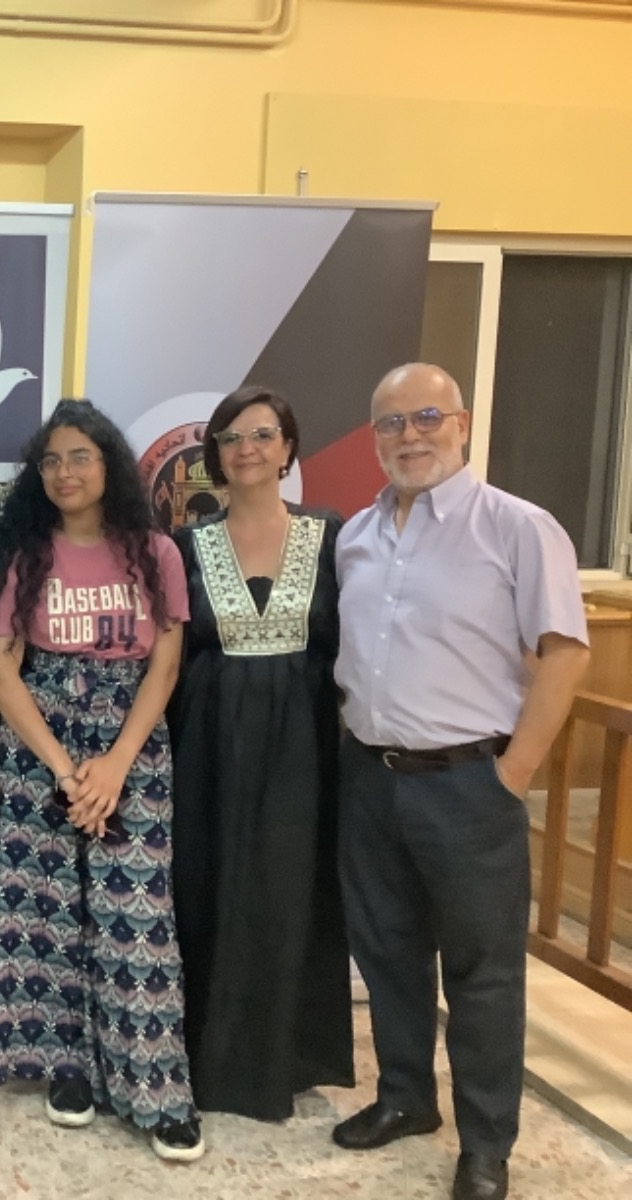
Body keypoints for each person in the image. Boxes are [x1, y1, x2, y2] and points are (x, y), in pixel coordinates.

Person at [332, 363, 589, 1200]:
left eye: (427, 417)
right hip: (371, 779)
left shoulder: (518, 527)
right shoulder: (357, 535)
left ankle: (486, 1145)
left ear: (463, 423)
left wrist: (514, 774)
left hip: (470, 784)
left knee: (483, 974)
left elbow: (565, 654)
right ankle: (406, 1098)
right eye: (391, 423)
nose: (410, 436)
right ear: (374, 437)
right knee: (388, 955)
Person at [0, 400, 204, 1162]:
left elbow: (164, 666)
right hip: (40, 747)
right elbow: (1, 672)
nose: (64, 472)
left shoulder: (155, 552)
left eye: (80, 456)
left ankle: (157, 1088)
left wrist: (114, 764)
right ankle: (67, 1068)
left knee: (134, 917)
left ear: (109, 464)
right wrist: (63, 768)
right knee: (47, 913)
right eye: (51, 461)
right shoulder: (27, 556)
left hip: (129, 745)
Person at [166, 386, 355, 1120]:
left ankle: (285, 1061)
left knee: (288, 895)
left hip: (302, 755)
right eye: (231, 438)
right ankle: (205, 1058)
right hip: (207, 752)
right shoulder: (185, 546)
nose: (246, 449)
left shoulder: (331, 537)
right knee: (207, 889)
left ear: (287, 449)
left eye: (262, 435)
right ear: (214, 454)